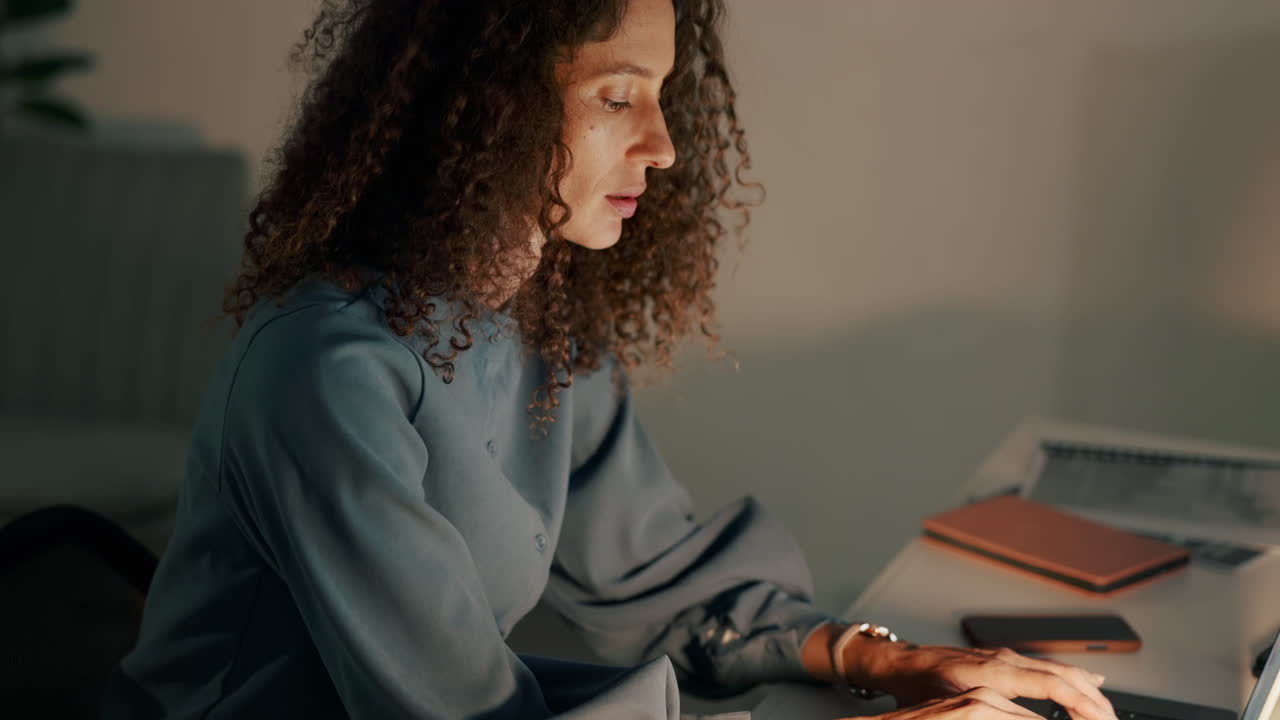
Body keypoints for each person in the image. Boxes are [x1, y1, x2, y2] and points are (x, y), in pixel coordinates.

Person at [100, 1, 1122, 719]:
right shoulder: (325, 368)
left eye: (665, 93)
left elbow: (664, 585)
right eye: (615, 97)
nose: (665, 146)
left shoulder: (538, 322)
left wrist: (883, 662)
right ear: (486, 105)